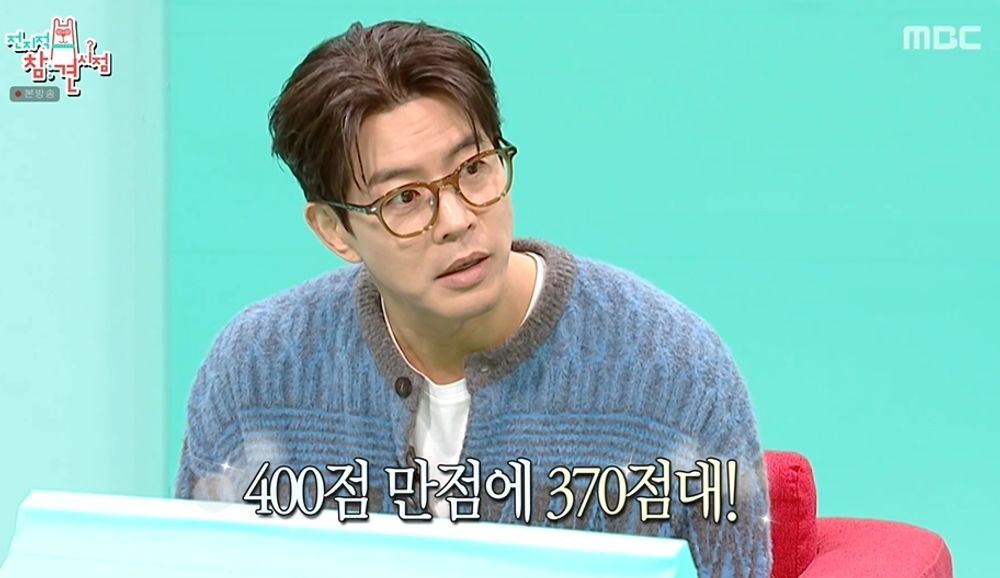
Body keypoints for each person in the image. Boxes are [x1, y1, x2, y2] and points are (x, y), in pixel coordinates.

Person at [176, 20, 772, 577]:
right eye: (404, 198)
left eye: (474, 169)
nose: (458, 220)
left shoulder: (673, 373)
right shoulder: (256, 371)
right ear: (335, 231)